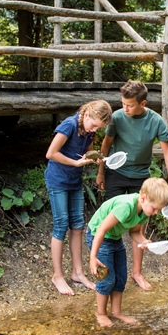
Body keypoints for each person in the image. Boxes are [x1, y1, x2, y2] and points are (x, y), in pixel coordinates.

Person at [96, 80, 168, 291]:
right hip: (116, 173)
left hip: (141, 176)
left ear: (143, 103)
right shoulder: (117, 117)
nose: (125, 109)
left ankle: (137, 273)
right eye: (123, 104)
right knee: (111, 224)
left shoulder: (155, 121)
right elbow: (105, 145)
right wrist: (101, 172)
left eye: (130, 105)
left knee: (138, 227)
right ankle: (108, 271)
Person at [45, 100, 113, 295]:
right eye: (93, 125)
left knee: (77, 225)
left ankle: (78, 272)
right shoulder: (69, 125)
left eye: (98, 128)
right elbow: (51, 153)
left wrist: (95, 157)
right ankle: (57, 275)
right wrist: (75, 163)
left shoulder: (90, 128)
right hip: (58, 180)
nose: (94, 130)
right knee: (61, 224)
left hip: (74, 181)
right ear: (87, 114)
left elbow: (87, 150)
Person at [86, 177, 168, 327]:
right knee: (107, 278)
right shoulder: (125, 206)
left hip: (115, 237)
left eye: (159, 209)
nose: (156, 212)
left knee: (121, 276)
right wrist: (93, 257)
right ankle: (101, 313)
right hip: (99, 236)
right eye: (155, 208)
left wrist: (143, 241)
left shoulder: (144, 211)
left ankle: (116, 312)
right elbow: (102, 229)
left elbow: (134, 233)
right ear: (143, 198)